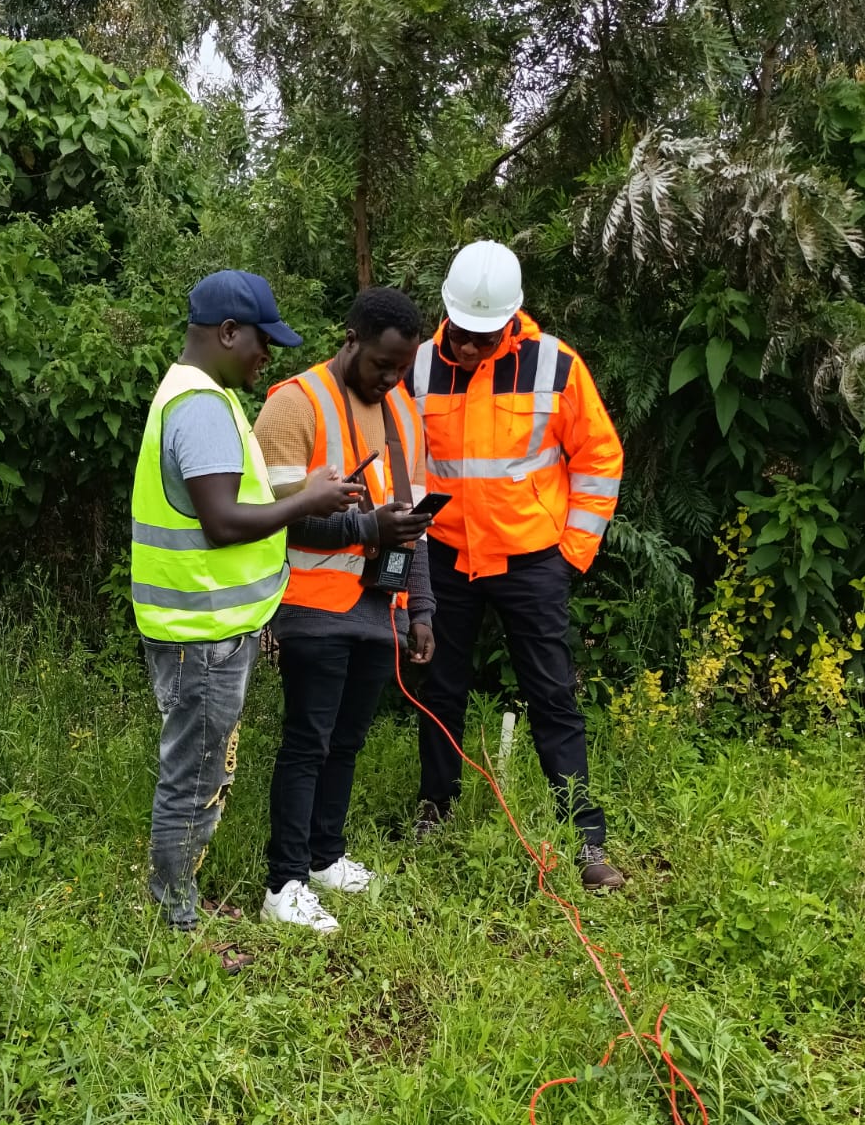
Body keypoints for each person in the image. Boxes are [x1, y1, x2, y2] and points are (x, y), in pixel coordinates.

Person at [131, 269, 361, 963]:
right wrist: (310, 500)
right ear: (227, 333)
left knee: (203, 769)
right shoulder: (201, 407)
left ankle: (180, 899)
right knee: (196, 776)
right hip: (200, 631)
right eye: (263, 342)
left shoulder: (206, 396)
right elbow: (225, 522)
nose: (269, 356)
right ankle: (174, 923)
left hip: (210, 625)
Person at [409, 241, 626, 890]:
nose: (472, 348)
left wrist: (570, 555)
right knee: (439, 691)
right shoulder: (419, 367)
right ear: (447, 314)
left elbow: (598, 459)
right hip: (446, 556)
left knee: (552, 694)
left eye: (485, 335)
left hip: (533, 559)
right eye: (463, 334)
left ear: (511, 319)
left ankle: (584, 839)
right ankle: (434, 813)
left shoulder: (555, 365)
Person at [253, 287, 435, 932]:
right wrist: (367, 531)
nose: (390, 378)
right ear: (351, 338)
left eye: (402, 368)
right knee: (308, 742)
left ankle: (326, 856)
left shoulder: (402, 413)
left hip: (379, 611)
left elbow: (411, 524)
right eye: (382, 364)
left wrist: (423, 611)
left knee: (347, 742)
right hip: (311, 605)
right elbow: (273, 522)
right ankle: (286, 881)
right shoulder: (293, 403)